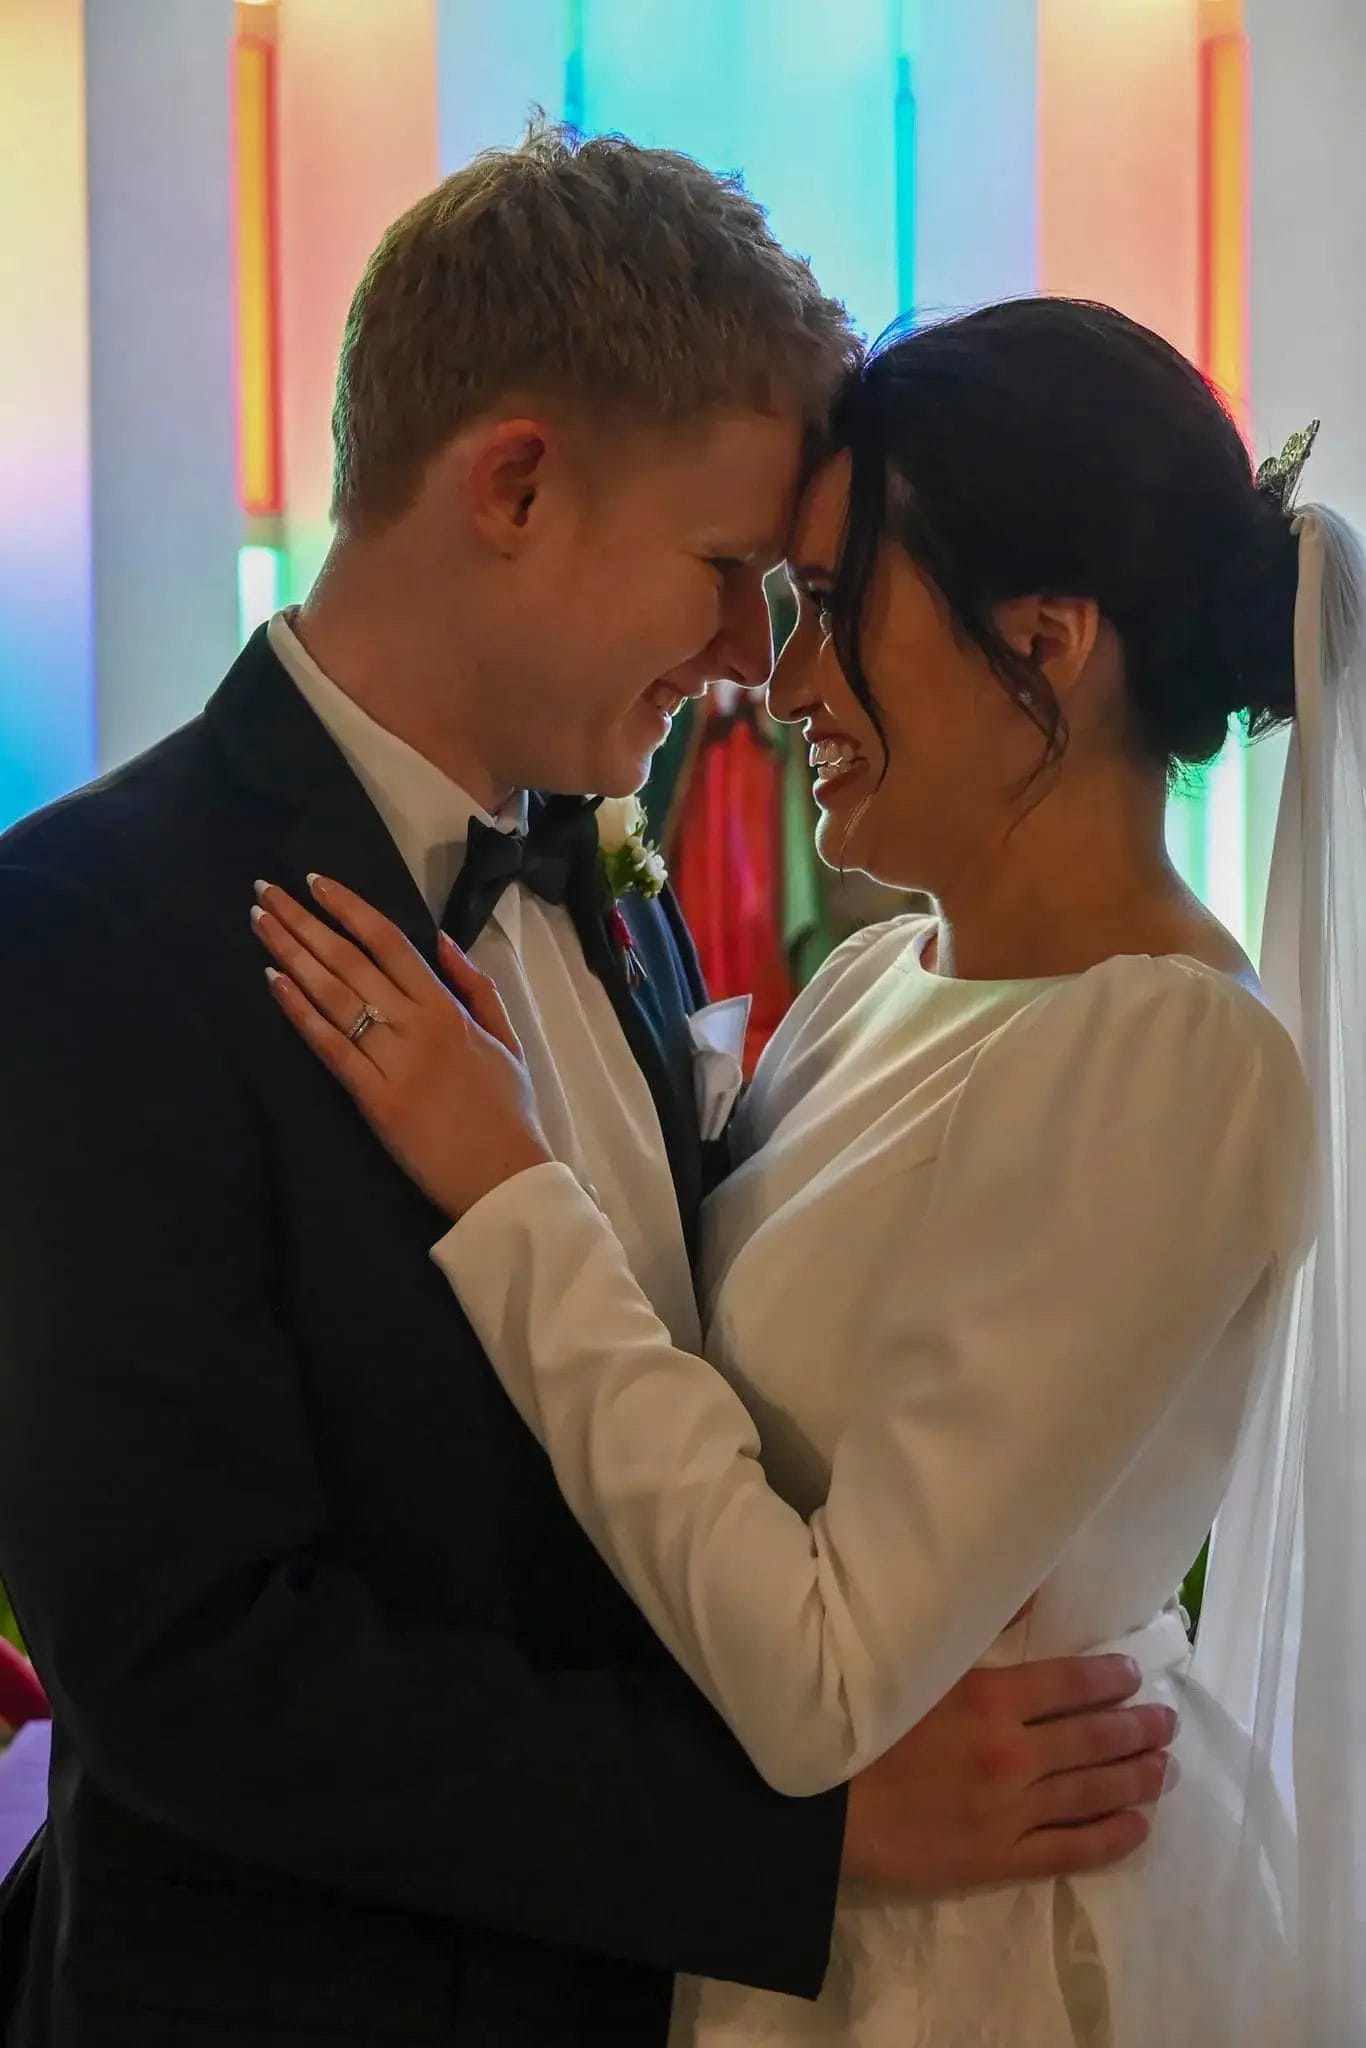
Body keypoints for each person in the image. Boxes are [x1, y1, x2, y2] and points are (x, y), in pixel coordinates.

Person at [0, 137, 1168, 2047]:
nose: (744, 665)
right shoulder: (82, 931)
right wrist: (809, 1831)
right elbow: (192, 1671)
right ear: (517, 486)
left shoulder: (594, 891)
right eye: (724, 577)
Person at [251, 299, 1336, 2045]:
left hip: (969, 1968)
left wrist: (507, 1186)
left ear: (1046, 641)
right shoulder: (866, 985)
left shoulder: (1170, 1061)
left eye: (830, 605)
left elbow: (824, 1677)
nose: (775, 673)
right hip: (765, 1929)